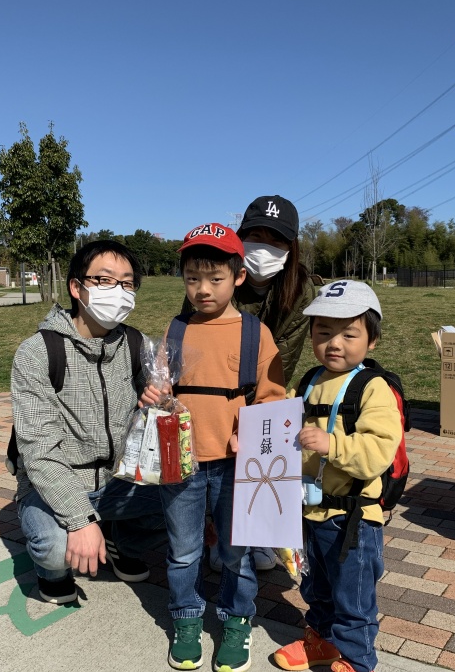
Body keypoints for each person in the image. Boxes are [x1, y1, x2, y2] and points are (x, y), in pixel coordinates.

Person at [142, 223, 286, 672]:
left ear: (239, 277)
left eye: (215, 279)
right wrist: (154, 395)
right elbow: (162, 385)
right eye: (192, 278)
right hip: (181, 462)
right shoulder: (178, 328)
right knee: (183, 550)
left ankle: (237, 618)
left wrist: (253, 433)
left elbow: (273, 398)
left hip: (235, 465)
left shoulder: (254, 333)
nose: (202, 289)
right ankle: (186, 616)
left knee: (236, 552)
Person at [11, 240, 166, 604]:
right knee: (55, 547)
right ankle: (53, 572)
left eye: (127, 283)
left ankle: (120, 540)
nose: (119, 291)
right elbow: (39, 450)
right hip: (57, 482)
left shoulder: (136, 344)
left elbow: (156, 409)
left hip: (118, 479)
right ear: (76, 287)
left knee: (186, 504)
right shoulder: (38, 352)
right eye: (105, 280)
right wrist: (80, 519)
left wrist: (160, 397)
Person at [272, 280, 403, 672]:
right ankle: (322, 641)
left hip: (352, 518)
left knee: (353, 596)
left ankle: (357, 660)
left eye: (349, 334)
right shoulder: (310, 380)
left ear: (372, 340)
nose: (334, 343)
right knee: (317, 587)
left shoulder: (372, 388)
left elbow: (379, 451)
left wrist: (333, 444)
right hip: (311, 512)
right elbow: (283, 426)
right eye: (324, 332)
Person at [197, 195, 318, 572]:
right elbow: (199, 343)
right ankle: (216, 531)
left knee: (267, 444)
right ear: (240, 237)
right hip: (215, 386)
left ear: (291, 247)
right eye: (256, 237)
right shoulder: (219, 277)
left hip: (267, 383)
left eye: (276, 240)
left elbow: (281, 362)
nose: (265, 248)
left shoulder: (301, 290)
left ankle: (263, 532)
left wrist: (255, 415)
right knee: (214, 457)